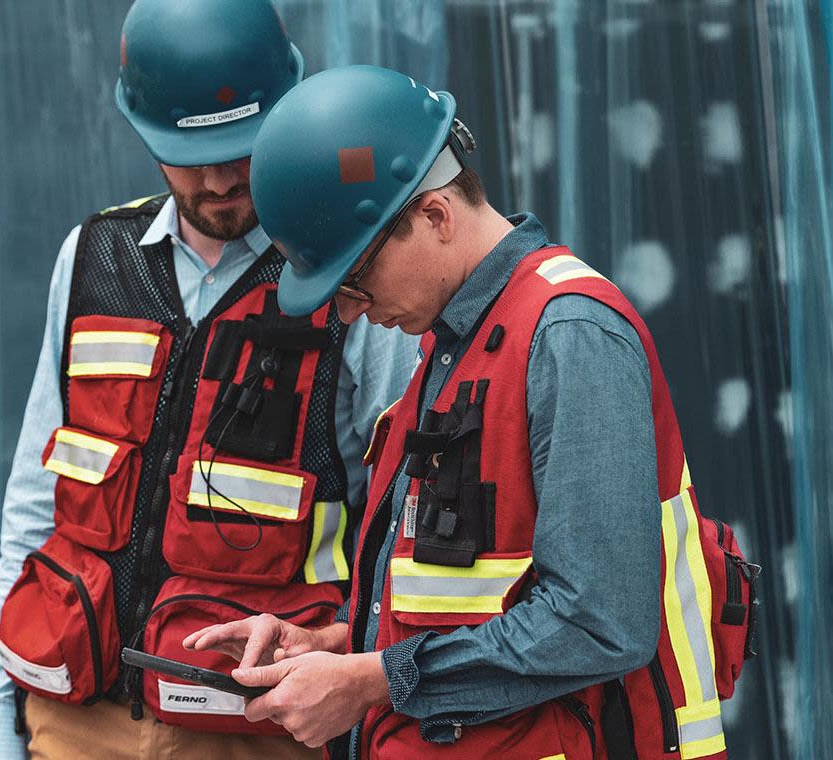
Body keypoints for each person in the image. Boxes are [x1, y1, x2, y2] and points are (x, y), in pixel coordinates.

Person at [185, 65, 746, 759]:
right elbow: (477, 595)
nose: (351, 314)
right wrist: (339, 642)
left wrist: (371, 680)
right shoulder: (456, 346)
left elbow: (600, 623)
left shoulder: (569, 335)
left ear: (435, 216)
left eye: (353, 281)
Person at [0, 9, 417, 758]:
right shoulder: (93, 256)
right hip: (70, 717)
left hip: (255, 728)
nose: (217, 179)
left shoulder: (349, 280)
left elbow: (399, 522)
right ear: (143, 130)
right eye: (188, 153)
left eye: (238, 148)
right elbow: (35, 503)